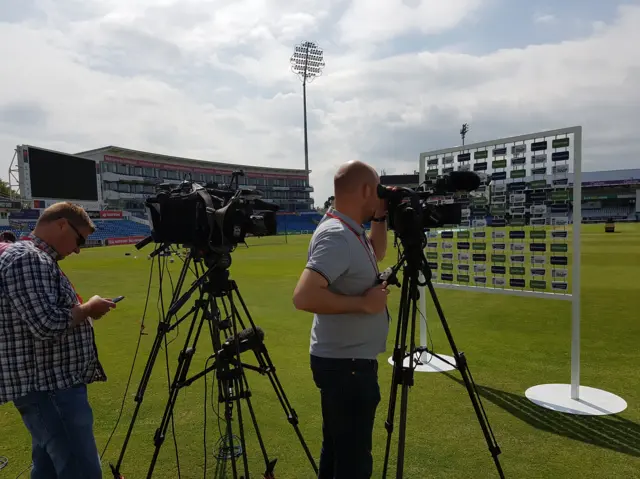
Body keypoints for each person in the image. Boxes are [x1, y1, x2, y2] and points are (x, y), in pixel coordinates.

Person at [0, 202, 116, 479]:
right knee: (81, 470)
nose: (77, 249)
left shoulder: (33, 257)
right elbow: (47, 324)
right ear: (62, 224)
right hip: (51, 388)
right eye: (79, 240)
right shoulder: (28, 258)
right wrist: (88, 308)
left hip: (46, 386)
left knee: (48, 469)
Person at [293, 160, 390, 479]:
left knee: (337, 449)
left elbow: (377, 252)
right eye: (377, 189)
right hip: (346, 367)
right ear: (365, 190)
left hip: (345, 362)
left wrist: (380, 214)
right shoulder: (337, 235)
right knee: (353, 459)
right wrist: (364, 304)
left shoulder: (348, 228)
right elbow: (304, 296)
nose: (379, 195)